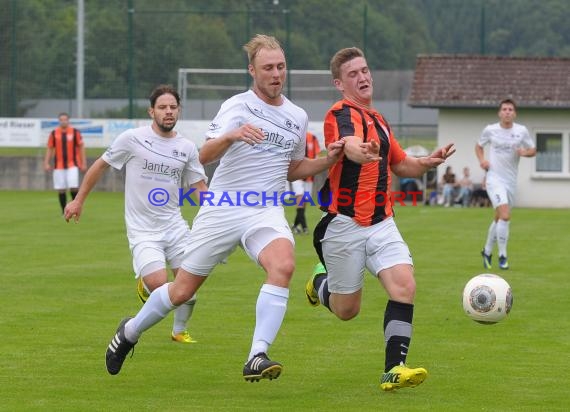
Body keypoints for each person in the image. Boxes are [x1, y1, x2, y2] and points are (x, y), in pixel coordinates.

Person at [103, 34, 344, 380]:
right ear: (252, 71)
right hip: (223, 208)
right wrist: (231, 136)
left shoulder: (297, 115)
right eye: (268, 68)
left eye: (280, 66)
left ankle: (257, 356)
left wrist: (326, 160)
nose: (276, 74)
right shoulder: (237, 106)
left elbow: (292, 168)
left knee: (284, 265)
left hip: (265, 208)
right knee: (182, 291)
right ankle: (129, 332)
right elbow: (200, 157)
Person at [304, 47, 455, 392]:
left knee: (405, 286)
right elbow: (350, 146)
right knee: (347, 310)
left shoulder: (381, 121)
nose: (363, 77)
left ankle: (394, 369)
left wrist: (428, 162)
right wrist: (362, 152)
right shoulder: (338, 113)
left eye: (365, 70)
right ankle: (319, 284)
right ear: (340, 84)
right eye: (353, 74)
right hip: (343, 223)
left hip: (382, 222)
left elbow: (401, 164)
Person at [64, 85, 208, 343]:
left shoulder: (186, 147)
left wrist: (217, 216)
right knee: (159, 282)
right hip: (143, 230)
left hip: (175, 226)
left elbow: (198, 188)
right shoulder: (132, 138)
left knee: (189, 286)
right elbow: (100, 165)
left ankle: (179, 330)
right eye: (162, 107)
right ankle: (144, 284)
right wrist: (78, 200)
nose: (168, 112)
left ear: (179, 111)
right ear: (151, 111)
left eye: (173, 107)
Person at [476, 98, 536, 270]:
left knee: (499, 217)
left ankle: (487, 251)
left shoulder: (521, 131)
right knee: (505, 215)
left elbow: (533, 150)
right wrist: (482, 161)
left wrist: (525, 152)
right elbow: (479, 146)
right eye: (504, 109)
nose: (507, 112)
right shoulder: (490, 130)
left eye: (510, 109)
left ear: (514, 113)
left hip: (510, 181)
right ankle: (503, 255)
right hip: (494, 179)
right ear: (499, 113)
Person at [43, 112, 87, 214]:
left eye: (65, 119)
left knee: (74, 186)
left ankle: (75, 208)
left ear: (68, 120)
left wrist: (83, 162)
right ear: (59, 121)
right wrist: (46, 162)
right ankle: (64, 211)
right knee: (61, 189)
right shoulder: (54, 133)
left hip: (73, 165)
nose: (63, 121)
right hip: (59, 166)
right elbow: (50, 148)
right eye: (61, 120)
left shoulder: (75, 132)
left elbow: (81, 147)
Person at [290, 131, 322, 234]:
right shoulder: (295, 137)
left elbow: (317, 155)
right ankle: (304, 227)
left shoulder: (312, 137)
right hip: (297, 174)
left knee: (305, 201)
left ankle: (295, 226)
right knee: (300, 197)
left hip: (309, 176)